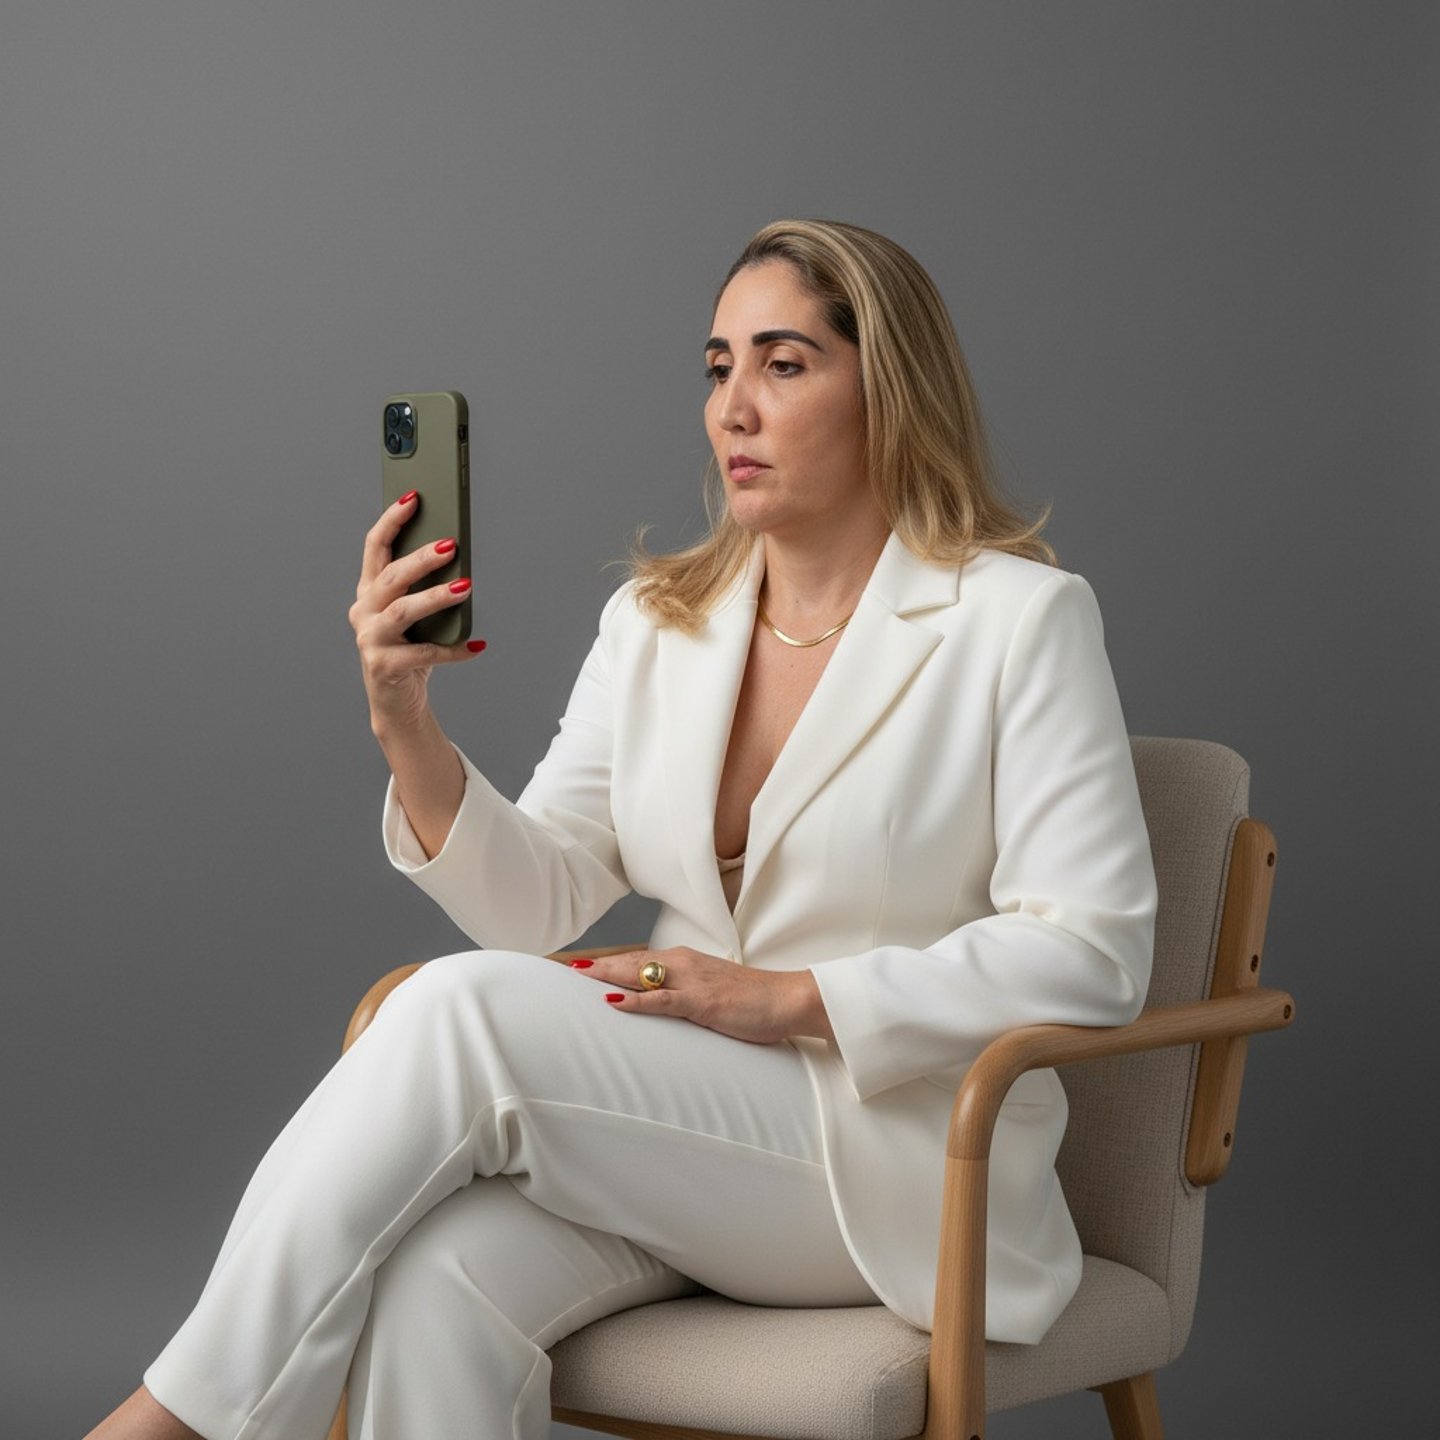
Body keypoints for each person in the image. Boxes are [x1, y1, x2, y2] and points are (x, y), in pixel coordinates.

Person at [88, 219, 1157, 1440]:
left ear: (891, 387)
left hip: (904, 1162)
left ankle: (162, 1425)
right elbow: (536, 900)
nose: (734, 408)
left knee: (454, 1011)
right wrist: (406, 726)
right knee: (440, 1285)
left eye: (785, 363)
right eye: (718, 368)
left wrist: (792, 998)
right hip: (687, 1133)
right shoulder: (659, 622)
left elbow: (1094, 950)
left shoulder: (1016, 620)